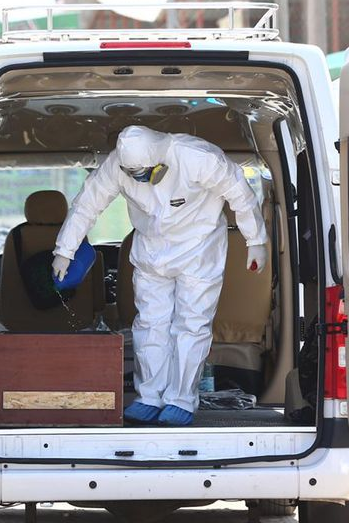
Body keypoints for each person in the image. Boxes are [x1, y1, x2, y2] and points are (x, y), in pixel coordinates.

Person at [52, 125, 268, 426]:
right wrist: (65, 250)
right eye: (133, 174)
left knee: (191, 324)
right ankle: (150, 396)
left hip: (199, 247)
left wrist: (255, 240)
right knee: (150, 324)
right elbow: (87, 204)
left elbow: (239, 192)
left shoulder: (197, 157)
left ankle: (181, 399)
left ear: (159, 158)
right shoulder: (117, 165)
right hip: (151, 249)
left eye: (144, 174)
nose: (138, 179)